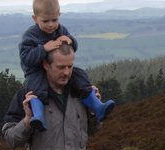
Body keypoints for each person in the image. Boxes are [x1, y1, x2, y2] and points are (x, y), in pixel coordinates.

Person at [20, 0, 114, 131]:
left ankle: (97, 106)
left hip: (58, 69)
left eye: (54, 19)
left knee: (79, 75)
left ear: (59, 14)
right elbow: (26, 58)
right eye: (45, 21)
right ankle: (38, 116)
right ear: (35, 19)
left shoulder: (61, 30)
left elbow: (71, 46)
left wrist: (71, 41)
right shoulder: (30, 36)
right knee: (37, 88)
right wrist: (43, 49)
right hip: (36, 72)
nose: (51, 25)